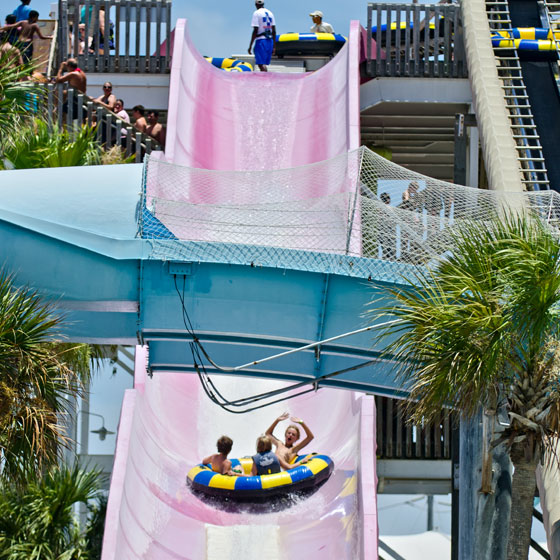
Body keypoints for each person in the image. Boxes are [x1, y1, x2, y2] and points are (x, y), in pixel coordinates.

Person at [248, 0, 276, 72]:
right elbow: (274, 30)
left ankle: (266, 80)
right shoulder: (270, 13)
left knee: (261, 64)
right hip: (270, 41)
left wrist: (250, 45)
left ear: (256, 4)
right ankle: (266, 78)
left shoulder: (256, 13)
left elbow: (255, 30)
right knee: (264, 64)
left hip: (261, 41)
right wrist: (274, 46)